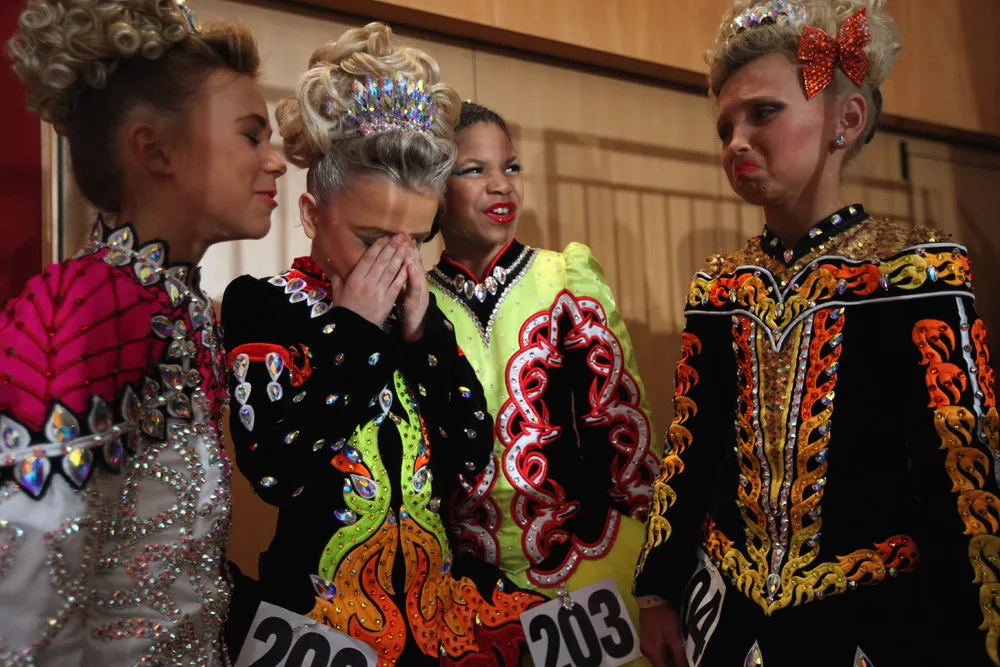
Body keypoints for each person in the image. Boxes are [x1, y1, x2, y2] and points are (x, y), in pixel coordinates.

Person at [633, 1, 999, 665]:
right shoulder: (719, 286)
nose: (737, 140)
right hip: (732, 618)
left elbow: (964, 480)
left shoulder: (916, 270)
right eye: (725, 127)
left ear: (846, 119)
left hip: (876, 619)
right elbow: (690, 443)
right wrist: (658, 587)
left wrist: (979, 638)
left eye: (764, 112)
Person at [221, 22, 543, 667]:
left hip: (440, 614)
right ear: (312, 216)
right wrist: (354, 329)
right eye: (371, 238)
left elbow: (471, 462)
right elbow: (277, 471)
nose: (397, 260)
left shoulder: (420, 317)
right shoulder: (262, 303)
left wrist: (424, 337)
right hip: (322, 623)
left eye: (417, 240)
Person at [1, 0, 287, 664]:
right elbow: (25, 590)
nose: (274, 161)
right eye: (252, 134)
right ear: (153, 149)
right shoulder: (80, 304)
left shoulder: (183, 306)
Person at [430, 101, 660, 664]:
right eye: (474, 170)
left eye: (510, 167)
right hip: (463, 594)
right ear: (432, 186)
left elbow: (625, 431)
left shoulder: (563, 277)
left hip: (585, 568)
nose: (500, 185)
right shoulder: (416, 301)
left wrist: (657, 574)